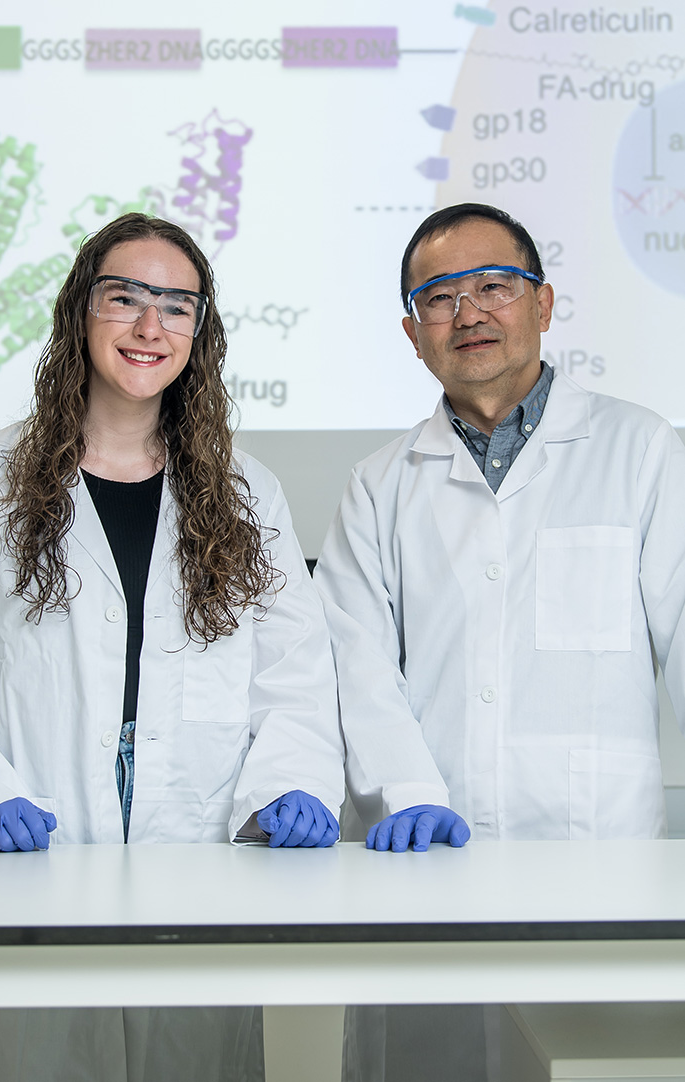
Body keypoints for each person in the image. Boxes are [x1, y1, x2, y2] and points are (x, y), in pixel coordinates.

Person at [0, 212, 344, 1082]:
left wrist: (289, 782)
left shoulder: (250, 492)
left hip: (197, 854)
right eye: (124, 297)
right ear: (78, 311)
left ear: (199, 333)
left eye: (177, 306)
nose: (150, 326)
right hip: (36, 857)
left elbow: (292, 677)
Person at [314, 202, 685, 1081]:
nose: (468, 313)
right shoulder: (378, 486)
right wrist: (402, 794)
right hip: (423, 857)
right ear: (412, 334)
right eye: (439, 297)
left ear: (544, 304)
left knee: (595, 1060)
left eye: (493, 286)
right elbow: (354, 666)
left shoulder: (643, 453)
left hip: (599, 857)